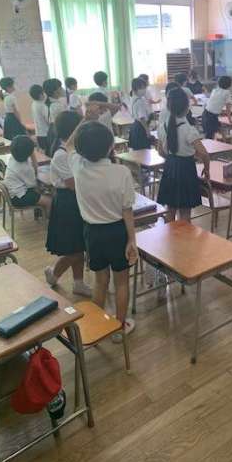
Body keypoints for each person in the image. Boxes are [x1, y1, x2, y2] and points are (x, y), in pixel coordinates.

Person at [65, 104, 138, 340]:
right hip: (117, 232)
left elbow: (68, 145)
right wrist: (132, 240)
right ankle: (119, 328)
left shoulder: (78, 166)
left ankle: (98, 327)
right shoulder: (121, 172)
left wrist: (84, 120)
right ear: (110, 147)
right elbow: (127, 210)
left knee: (100, 281)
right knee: (122, 282)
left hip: (92, 233)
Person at [45, 111, 91, 297]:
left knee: (78, 246)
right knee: (75, 250)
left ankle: (78, 283)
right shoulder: (61, 155)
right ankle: (54, 274)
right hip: (67, 203)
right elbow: (73, 185)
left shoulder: (72, 151)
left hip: (75, 200)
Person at [157, 87, 210, 222]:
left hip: (170, 167)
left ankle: (169, 234)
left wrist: (173, 158)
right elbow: (204, 154)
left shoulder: (162, 126)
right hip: (186, 169)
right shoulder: (189, 130)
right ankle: (184, 236)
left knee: (170, 208)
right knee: (185, 211)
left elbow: (160, 151)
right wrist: (206, 169)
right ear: (187, 108)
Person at [3, 135, 51, 213]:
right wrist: (32, 154)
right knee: (49, 200)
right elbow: (33, 185)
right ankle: (49, 218)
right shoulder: (24, 168)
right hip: (19, 197)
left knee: (44, 190)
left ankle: (40, 213)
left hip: (15, 193)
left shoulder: (14, 157)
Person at [128, 77, 155, 150]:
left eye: (144, 87)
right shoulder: (139, 101)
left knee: (137, 151)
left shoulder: (132, 98)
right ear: (136, 89)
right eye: (142, 88)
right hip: (141, 127)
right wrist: (147, 131)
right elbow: (142, 118)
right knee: (144, 151)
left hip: (135, 126)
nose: (144, 90)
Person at [43, 78, 66, 157]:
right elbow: (64, 121)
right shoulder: (57, 105)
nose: (62, 89)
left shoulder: (49, 103)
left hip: (52, 131)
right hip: (58, 132)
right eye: (60, 87)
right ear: (55, 91)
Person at [29, 84, 49, 152]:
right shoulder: (42, 105)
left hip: (38, 133)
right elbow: (48, 120)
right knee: (49, 153)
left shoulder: (33, 104)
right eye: (43, 93)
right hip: (46, 133)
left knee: (44, 152)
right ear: (40, 94)